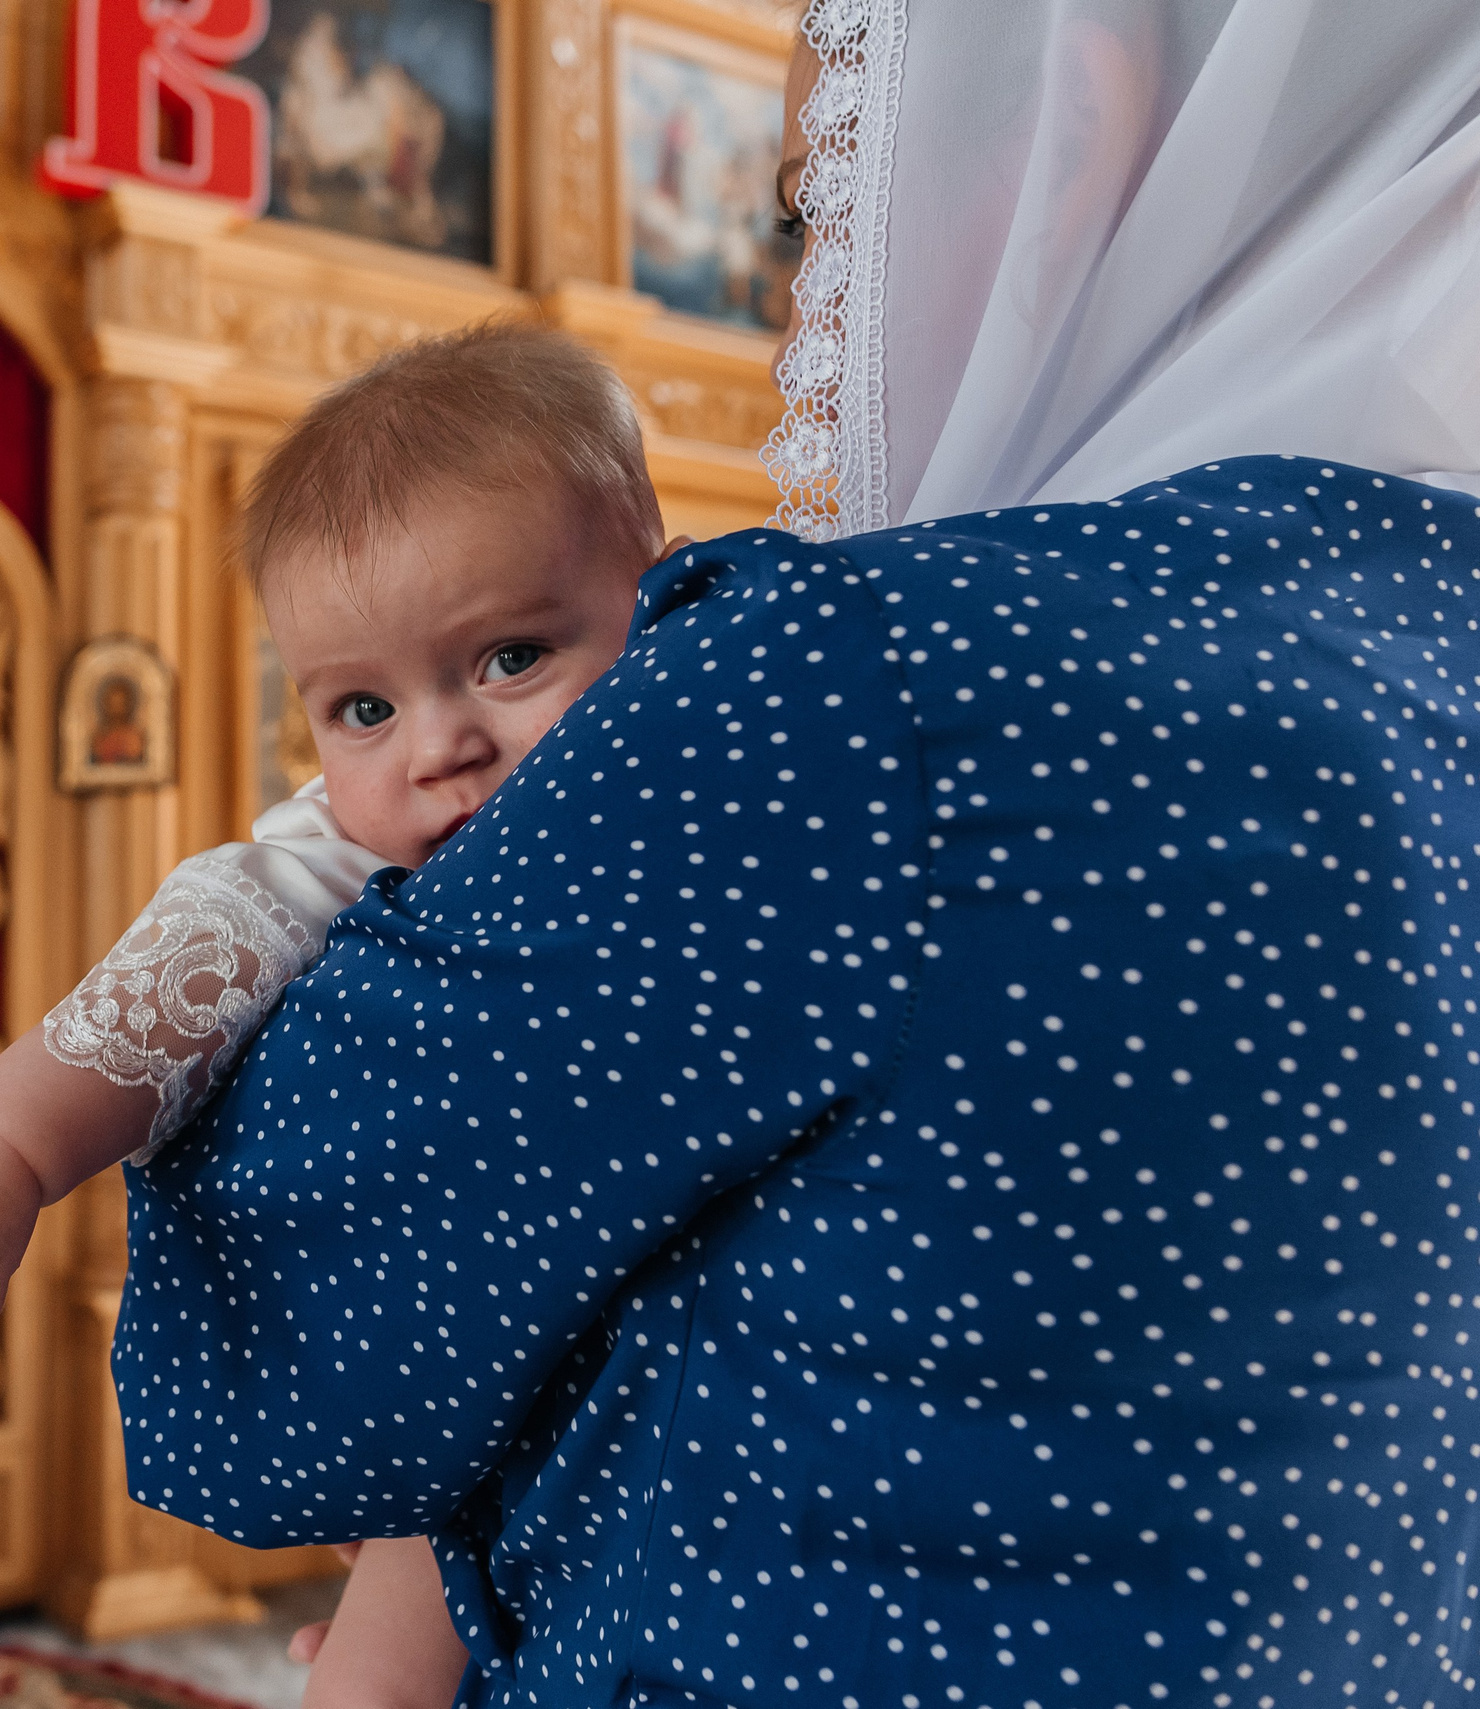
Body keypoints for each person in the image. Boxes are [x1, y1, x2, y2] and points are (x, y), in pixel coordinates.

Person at [98, 5, 1475, 1708]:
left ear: (1072, 134)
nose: (812, 310)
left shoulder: (857, 674)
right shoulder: (1433, 643)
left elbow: (279, 1381)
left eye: (817, 215)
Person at [0, 321, 684, 1703]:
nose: (439, 746)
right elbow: (216, 932)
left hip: (720, 1347)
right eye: (363, 706)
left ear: (660, 585)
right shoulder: (360, 844)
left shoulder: (716, 759)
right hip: (490, 1381)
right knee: (385, 1649)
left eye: (511, 658)